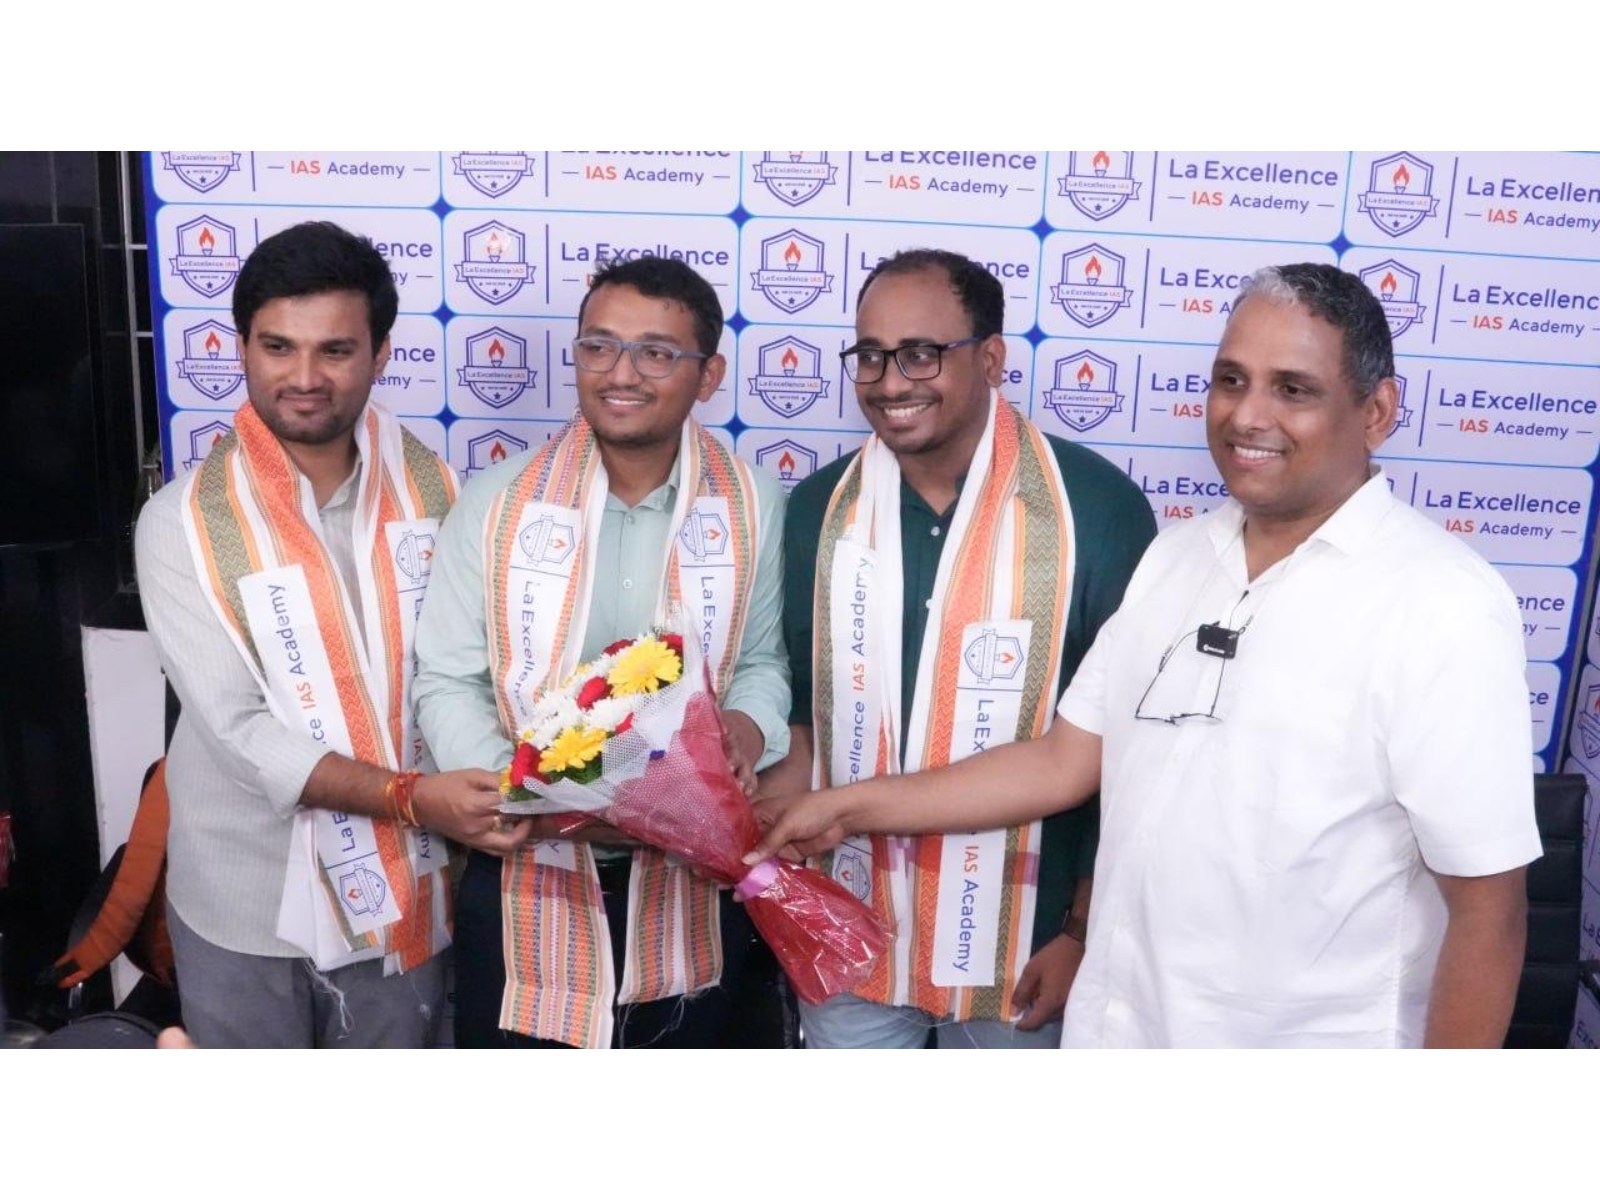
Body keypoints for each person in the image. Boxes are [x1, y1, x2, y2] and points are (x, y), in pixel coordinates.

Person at [750, 262, 1540, 1049]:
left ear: (1377, 412)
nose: (1247, 415)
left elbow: (1489, 911)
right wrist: (838, 808)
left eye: (1292, 389)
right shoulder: (1180, 558)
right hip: (1125, 1030)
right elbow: (1060, 762)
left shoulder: (1442, 604)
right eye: (1231, 380)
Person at [135, 221, 527, 1049]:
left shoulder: (440, 495)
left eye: (336, 351)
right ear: (241, 347)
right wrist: (411, 798)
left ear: (381, 354)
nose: (305, 378)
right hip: (246, 903)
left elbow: (472, 674)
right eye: (278, 347)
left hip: (409, 893)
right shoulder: (180, 523)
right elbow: (239, 734)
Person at [756, 249, 1155, 1048]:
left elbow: (1126, 752)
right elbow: (803, 713)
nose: (890, 381)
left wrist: (1080, 928)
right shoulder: (818, 510)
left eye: (921, 353)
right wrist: (758, 823)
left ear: (992, 359)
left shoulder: (1095, 509)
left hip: (1024, 941)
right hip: (849, 925)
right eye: (871, 355)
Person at [414, 256, 790, 1048]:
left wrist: (744, 734)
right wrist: (522, 793)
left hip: (697, 880)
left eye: (656, 352)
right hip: (523, 871)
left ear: (710, 374)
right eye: (599, 346)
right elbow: (448, 678)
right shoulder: (497, 501)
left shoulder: (753, 505)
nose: (620, 373)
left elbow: (762, 662)